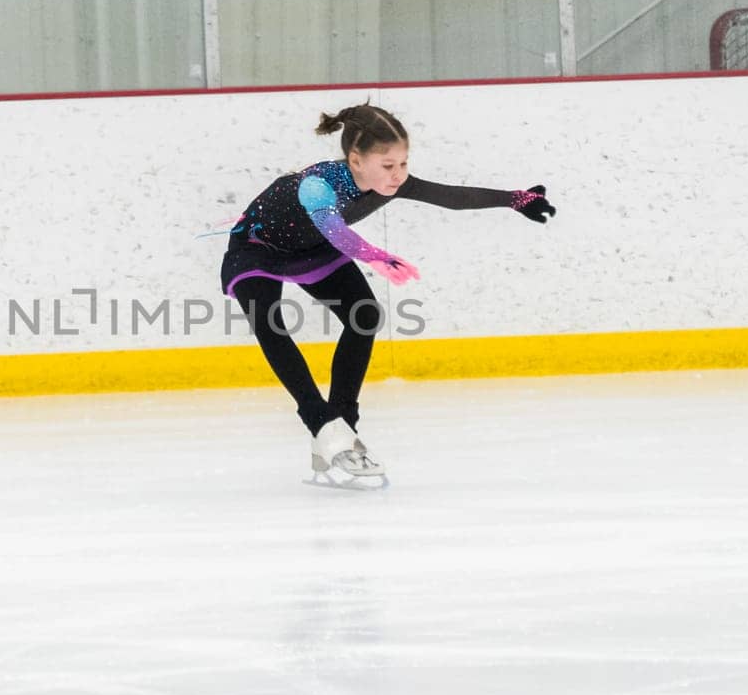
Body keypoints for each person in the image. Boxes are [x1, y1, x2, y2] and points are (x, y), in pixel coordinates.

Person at [220, 102, 556, 485]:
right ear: (356, 160)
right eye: (388, 165)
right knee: (270, 322)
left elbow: (452, 196)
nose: (398, 175)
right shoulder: (319, 184)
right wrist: (376, 256)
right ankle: (320, 420)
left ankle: (342, 425)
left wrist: (516, 199)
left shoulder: (387, 184)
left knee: (364, 317)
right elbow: (335, 230)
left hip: (311, 250)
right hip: (256, 247)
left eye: (403, 164)